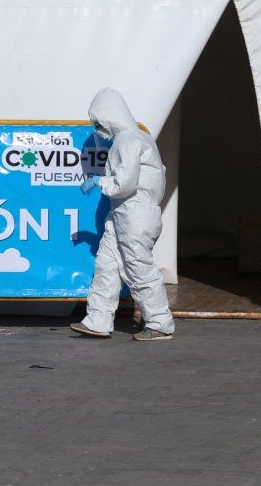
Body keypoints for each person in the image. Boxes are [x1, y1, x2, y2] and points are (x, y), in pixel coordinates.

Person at [70, 88, 175, 342]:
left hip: (134, 215)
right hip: (123, 214)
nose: (97, 129)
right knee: (106, 264)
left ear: (109, 117)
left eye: (98, 122)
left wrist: (99, 181)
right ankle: (98, 319)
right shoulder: (136, 138)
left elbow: (124, 185)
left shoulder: (128, 141)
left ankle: (160, 323)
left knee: (138, 268)